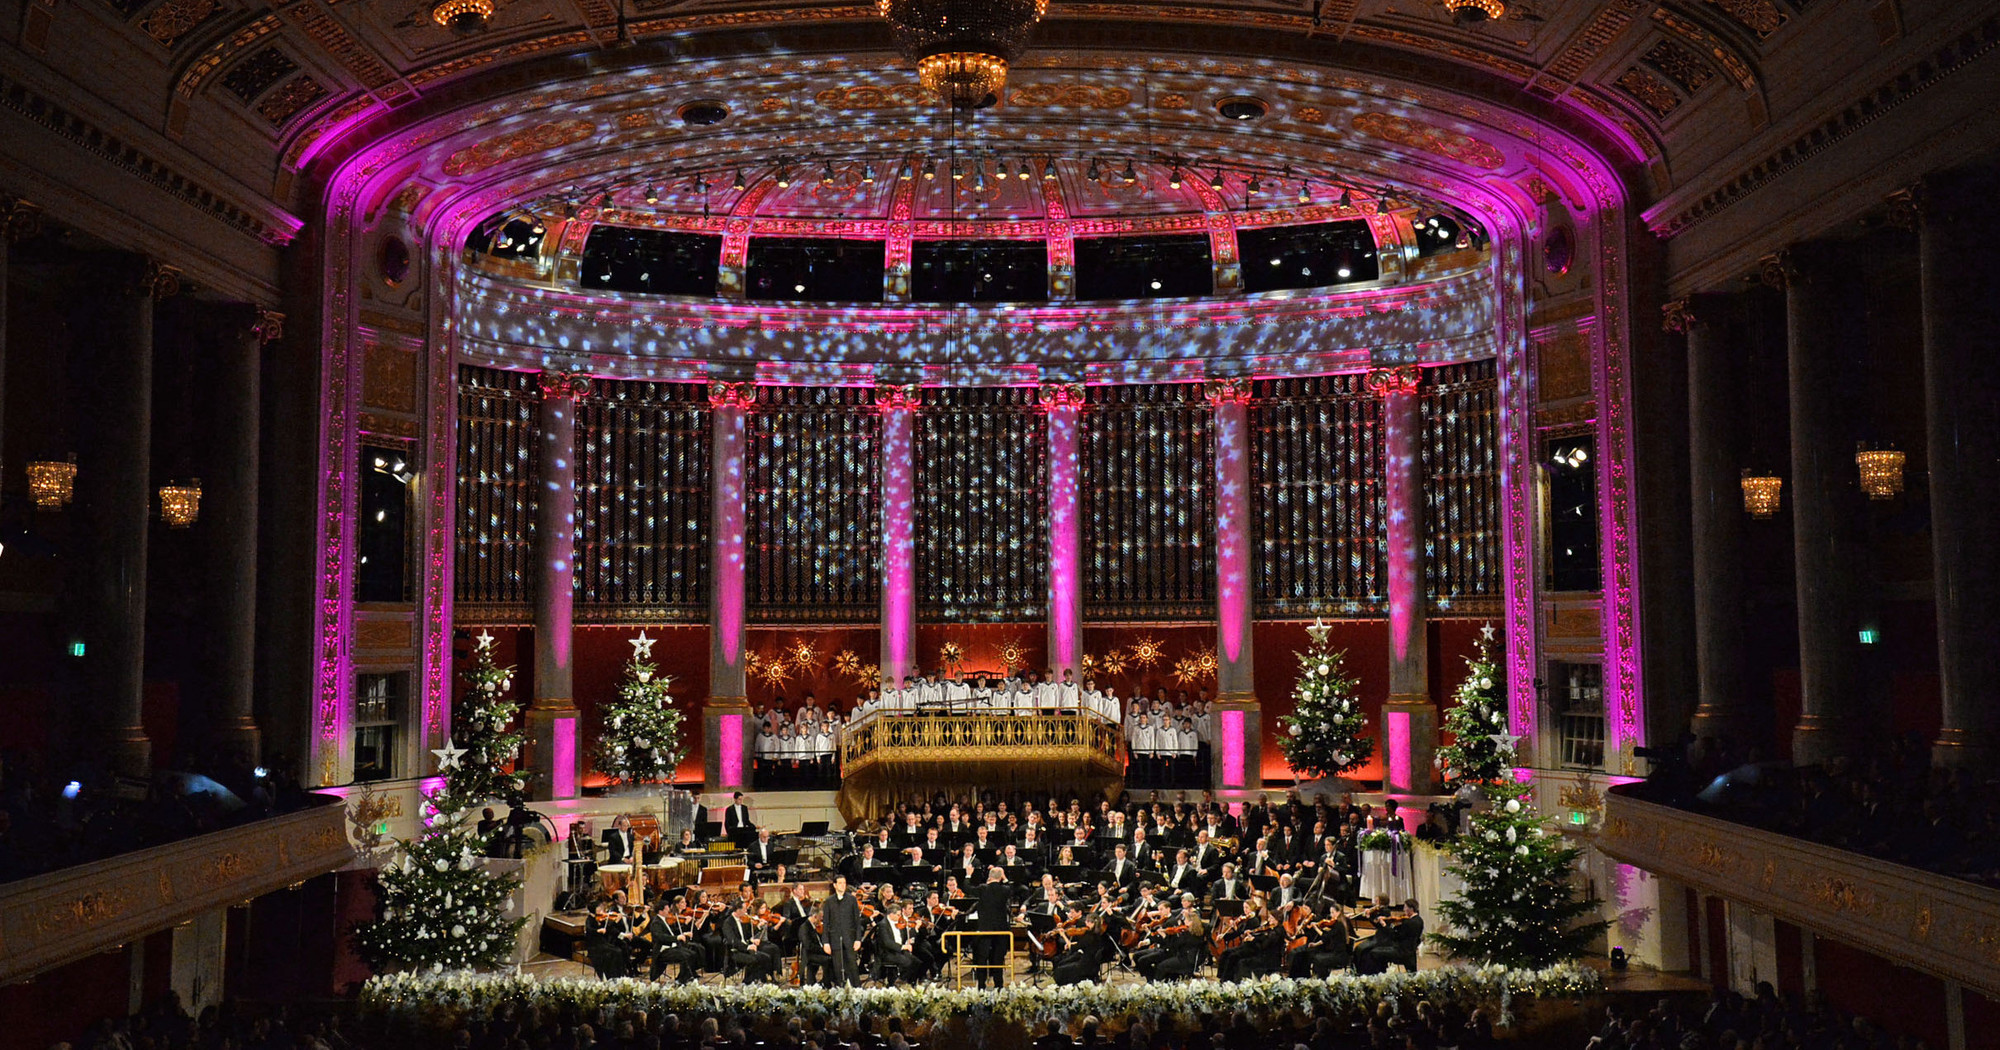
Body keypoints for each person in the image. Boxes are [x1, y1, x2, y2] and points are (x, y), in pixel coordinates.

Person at [968, 865, 1013, 989]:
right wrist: (1004, 878)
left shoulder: (983, 888)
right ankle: (999, 987)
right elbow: (1011, 888)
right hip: (1001, 930)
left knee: (982, 959)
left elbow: (968, 888)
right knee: (998, 960)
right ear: (1000, 877)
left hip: (985, 929)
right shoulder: (1005, 889)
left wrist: (968, 875)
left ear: (989, 877)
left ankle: (981, 987)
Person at [723, 899, 777, 982]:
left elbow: (746, 936)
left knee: (765, 957)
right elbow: (733, 941)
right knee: (754, 960)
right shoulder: (728, 923)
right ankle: (748, 982)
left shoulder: (741, 920)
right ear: (738, 910)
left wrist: (758, 927)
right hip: (735, 952)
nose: (746, 911)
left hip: (744, 949)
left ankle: (762, 981)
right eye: (744, 909)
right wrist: (748, 947)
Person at [823, 873, 863, 986]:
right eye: (840, 883)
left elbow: (857, 921)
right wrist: (825, 942)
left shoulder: (852, 900)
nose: (842, 885)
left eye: (844, 883)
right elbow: (826, 923)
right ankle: (841, 990)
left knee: (852, 966)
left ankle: (857, 990)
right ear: (835, 885)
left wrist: (858, 939)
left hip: (849, 939)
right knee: (838, 967)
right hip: (835, 939)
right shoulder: (829, 901)